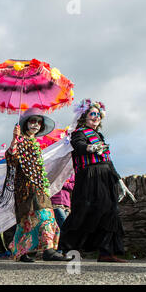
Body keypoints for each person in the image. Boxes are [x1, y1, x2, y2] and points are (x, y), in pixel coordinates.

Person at [59, 100, 129, 262]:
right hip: (89, 177)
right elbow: (78, 145)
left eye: (98, 115)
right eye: (92, 114)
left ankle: (106, 252)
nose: (96, 117)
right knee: (84, 210)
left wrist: (119, 181)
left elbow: (108, 160)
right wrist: (90, 148)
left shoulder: (99, 136)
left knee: (110, 211)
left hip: (105, 177)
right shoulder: (79, 133)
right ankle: (68, 248)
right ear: (84, 116)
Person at [1, 108, 71, 262]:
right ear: (26, 123)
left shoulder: (35, 144)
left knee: (46, 215)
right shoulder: (20, 140)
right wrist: (14, 138)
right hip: (25, 187)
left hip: (39, 186)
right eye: (33, 121)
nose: (36, 125)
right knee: (27, 219)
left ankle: (47, 250)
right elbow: (11, 156)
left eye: (39, 122)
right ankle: (23, 252)